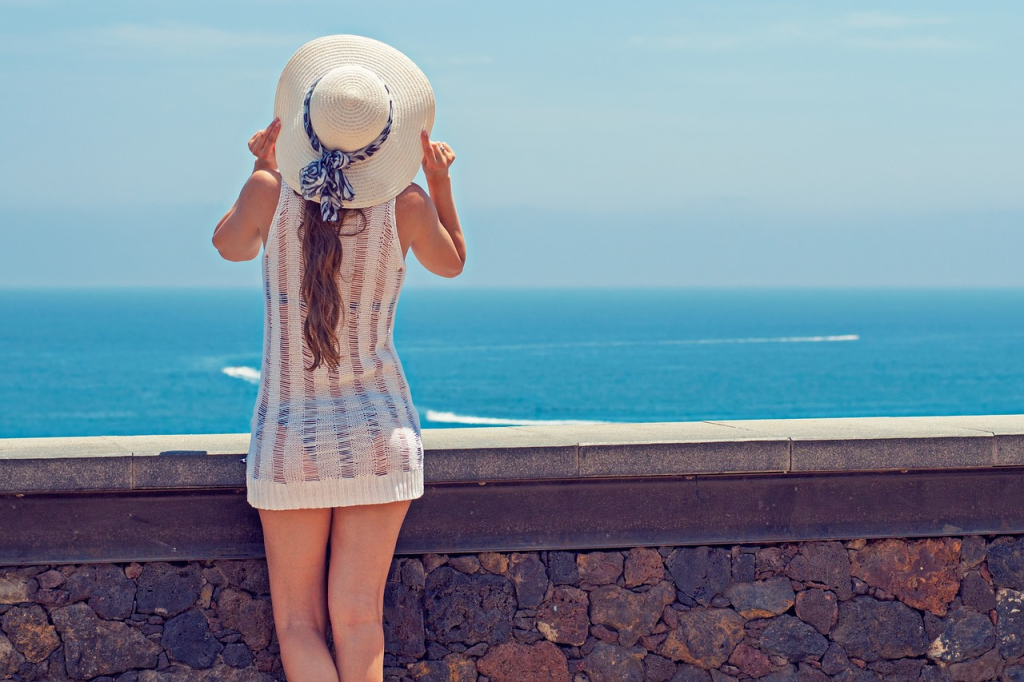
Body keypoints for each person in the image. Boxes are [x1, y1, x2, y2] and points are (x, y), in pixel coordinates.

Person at [211, 35, 466, 682]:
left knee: (300, 625)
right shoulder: (405, 206)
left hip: (292, 438)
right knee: (360, 622)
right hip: (382, 434)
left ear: (302, 124)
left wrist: (263, 170)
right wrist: (437, 183)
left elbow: (228, 246)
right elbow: (452, 261)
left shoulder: (273, 193)